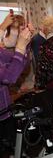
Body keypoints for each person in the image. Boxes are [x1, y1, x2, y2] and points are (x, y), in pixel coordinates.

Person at [0, 15, 32, 148]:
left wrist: (24, 44)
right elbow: (9, 77)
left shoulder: (2, 51)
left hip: (4, 109)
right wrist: (20, 47)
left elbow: (19, 63)